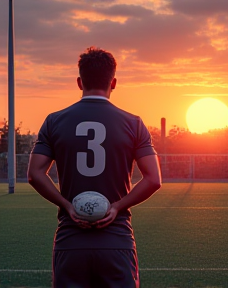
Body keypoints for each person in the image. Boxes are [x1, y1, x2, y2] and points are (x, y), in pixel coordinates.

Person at [27, 46, 162, 288]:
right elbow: (154, 179)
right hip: (116, 240)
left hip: (71, 240)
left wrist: (67, 205)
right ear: (114, 83)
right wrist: (117, 206)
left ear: (79, 82)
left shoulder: (54, 121)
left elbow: (35, 173)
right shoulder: (134, 123)